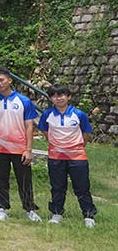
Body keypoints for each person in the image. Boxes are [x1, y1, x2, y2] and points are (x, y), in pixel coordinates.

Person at [38, 84, 97, 227]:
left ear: (68, 97)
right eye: (54, 96)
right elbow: (45, 131)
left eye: (61, 95)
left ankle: (88, 215)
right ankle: (57, 213)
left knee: (82, 187)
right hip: (55, 157)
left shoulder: (79, 114)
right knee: (57, 187)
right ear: (51, 98)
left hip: (77, 158)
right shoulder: (47, 115)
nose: (58, 98)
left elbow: (85, 134)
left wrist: (76, 147)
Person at [0, 68, 40, 222]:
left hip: (20, 148)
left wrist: (28, 149)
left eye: (2, 80)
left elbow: (29, 126)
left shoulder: (23, 101)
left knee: (24, 179)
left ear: (9, 80)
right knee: (0, 179)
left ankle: (29, 208)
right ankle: (2, 208)